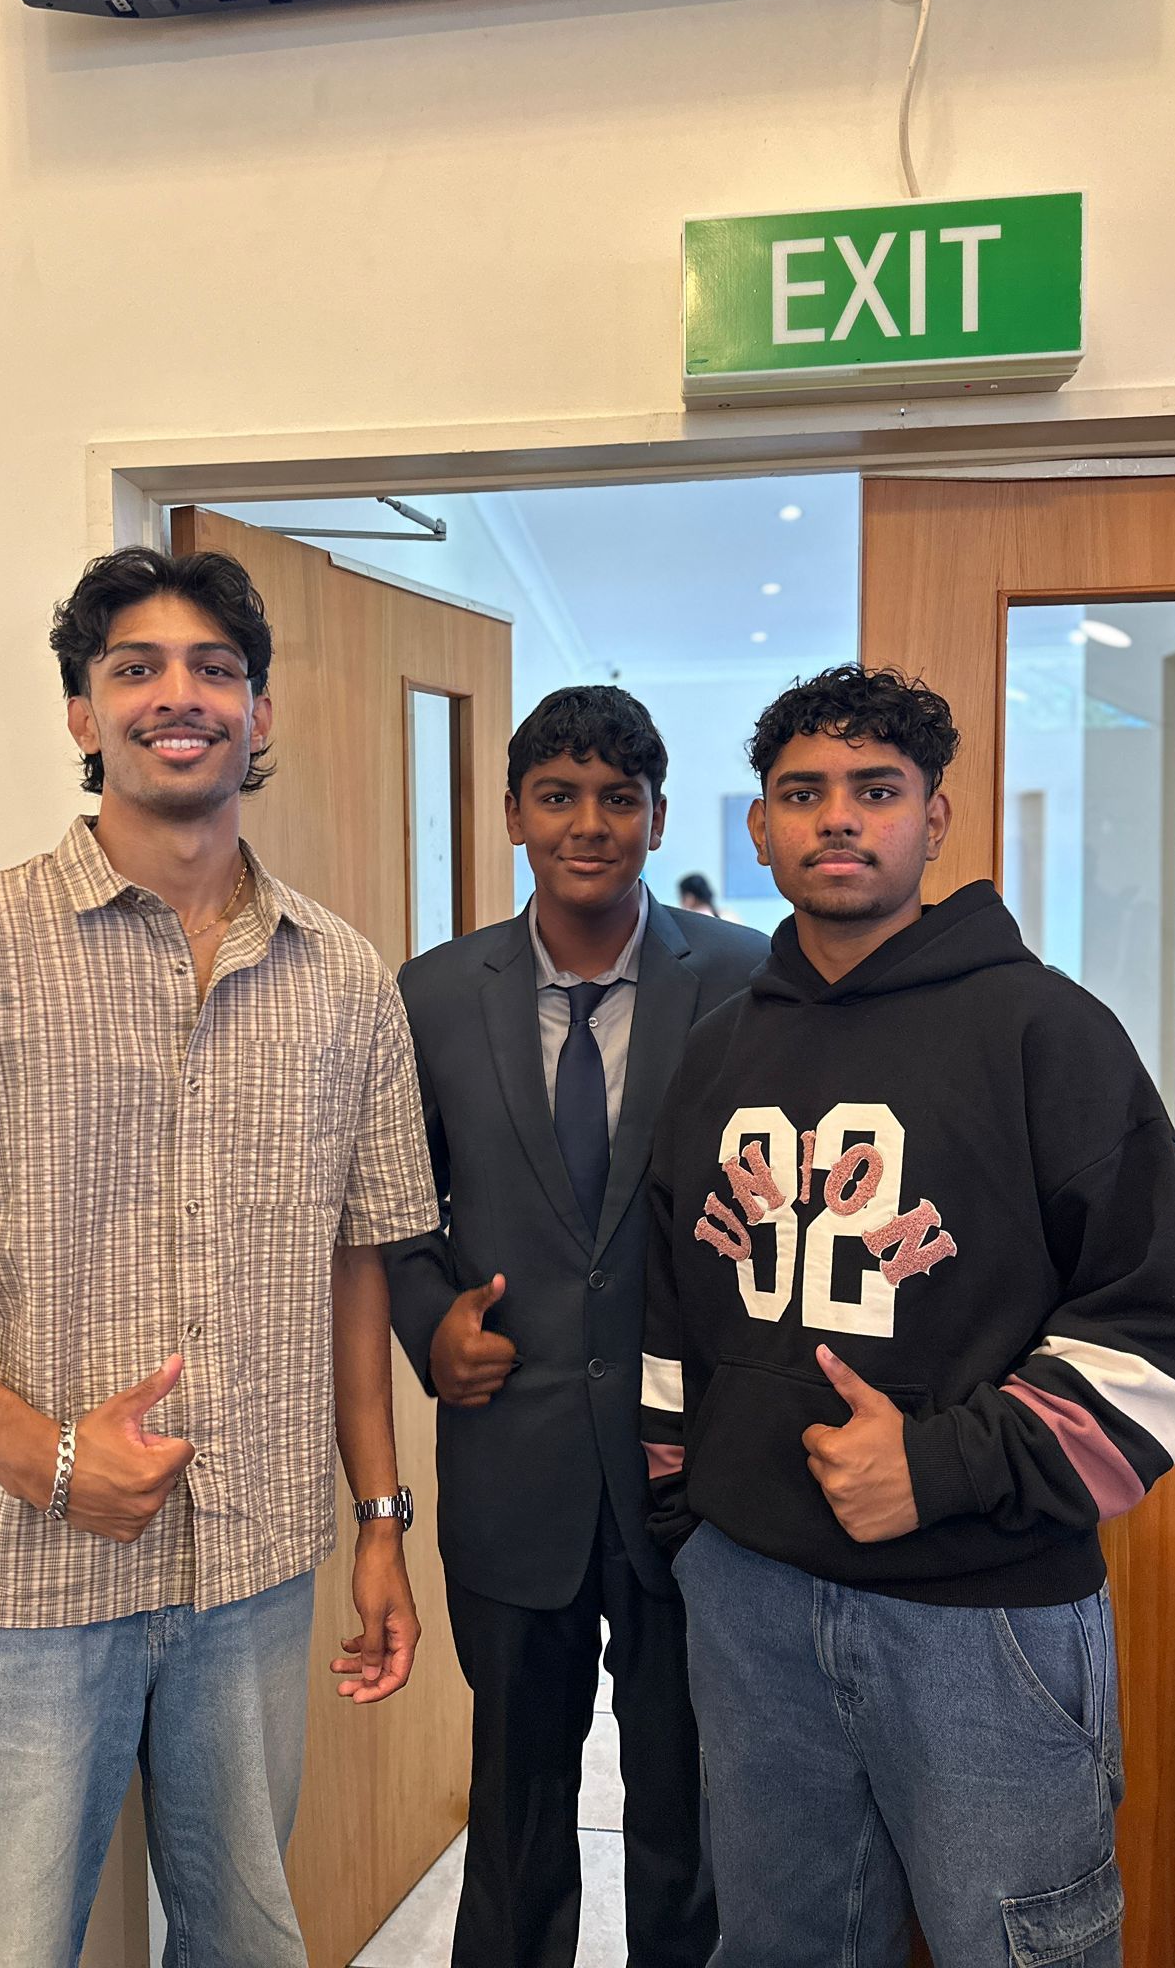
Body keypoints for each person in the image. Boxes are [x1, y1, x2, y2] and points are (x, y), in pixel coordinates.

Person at [0, 547, 439, 1968]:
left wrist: (382, 1524)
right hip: (13, 1591)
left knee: (248, 1942)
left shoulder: (346, 979)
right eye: (135, 668)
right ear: (82, 715)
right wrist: (48, 1459)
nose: (177, 696)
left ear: (261, 713)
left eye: (214, 669)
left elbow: (354, 1269)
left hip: (254, 1572)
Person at [641, 663, 1175, 1968]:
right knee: (781, 1946)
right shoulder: (721, 1049)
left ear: (937, 818)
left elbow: (1161, 1350)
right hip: (749, 1600)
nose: (838, 818)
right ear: (759, 828)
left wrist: (940, 1465)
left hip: (985, 1617)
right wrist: (691, 1515)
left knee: (1023, 1951)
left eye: (876, 790)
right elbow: (667, 1317)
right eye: (804, 793)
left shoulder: (1048, 1035)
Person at [386, 686, 770, 1968]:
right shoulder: (431, 996)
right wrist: (431, 1323)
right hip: (512, 1464)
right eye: (558, 795)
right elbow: (394, 1213)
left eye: (619, 798)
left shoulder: (748, 980)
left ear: (658, 819)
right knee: (514, 1818)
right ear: (513, 813)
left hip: (693, 1476)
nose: (588, 824)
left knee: (689, 1814)